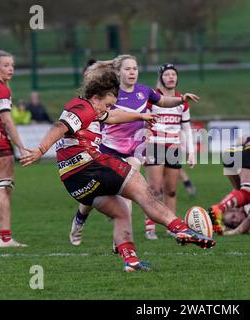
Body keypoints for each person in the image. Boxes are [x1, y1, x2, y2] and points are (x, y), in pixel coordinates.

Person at [20, 68, 215, 272]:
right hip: (91, 165)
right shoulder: (84, 108)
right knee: (142, 189)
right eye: (106, 104)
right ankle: (181, 229)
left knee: (121, 212)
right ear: (95, 97)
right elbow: (59, 127)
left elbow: (112, 116)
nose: (107, 109)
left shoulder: (89, 108)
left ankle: (130, 260)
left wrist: (140, 116)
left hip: (73, 182)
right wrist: (40, 150)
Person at [68, 55, 200, 247]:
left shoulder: (144, 91)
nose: (132, 72)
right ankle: (79, 219)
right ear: (118, 72)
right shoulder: (111, 94)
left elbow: (163, 101)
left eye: (135, 69)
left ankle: (120, 242)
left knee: (126, 193)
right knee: (92, 195)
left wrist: (181, 100)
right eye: (128, 69)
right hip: (106, 150)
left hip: (132, 153)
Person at [144, 63, 196, 240]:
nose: (171, 77)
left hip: (173, 148)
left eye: (174, 74)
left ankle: (171, 227)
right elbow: (143, 121)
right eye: (167, 75)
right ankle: (150, 228)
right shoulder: (154, 98)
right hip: (155, 145)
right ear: (161, 78)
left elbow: (187, 129)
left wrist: (191, 152)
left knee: (171, 190)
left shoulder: (182, 102)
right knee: (154, 189)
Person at [0, 50, 29, 247]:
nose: (10, 68)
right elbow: (6, 119)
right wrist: (21, 146)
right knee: (3, 190)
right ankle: (5, 238)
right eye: (6, 65)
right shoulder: (1, 89)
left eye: (12, 65)